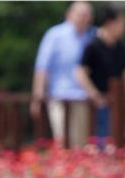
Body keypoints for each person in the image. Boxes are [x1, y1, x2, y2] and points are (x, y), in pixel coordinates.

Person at [31, 1, 94, 148]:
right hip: (59, 96)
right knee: (63, 139)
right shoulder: (55, 35)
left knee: (82, 143)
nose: (84, 18)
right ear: (69, 14)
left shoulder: (93, 35)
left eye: (87, 15)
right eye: (81, 14)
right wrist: (37, 96)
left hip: (84, 97)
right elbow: (42, 67)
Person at [75, 5, 125, 146]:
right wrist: (95, 95)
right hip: (98, 106)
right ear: (110, 23)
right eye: (122, 23)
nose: (124, 28)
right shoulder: (93, 46)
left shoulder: (123, 49)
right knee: (99, 144)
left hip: (119, 105)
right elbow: (80, 73)